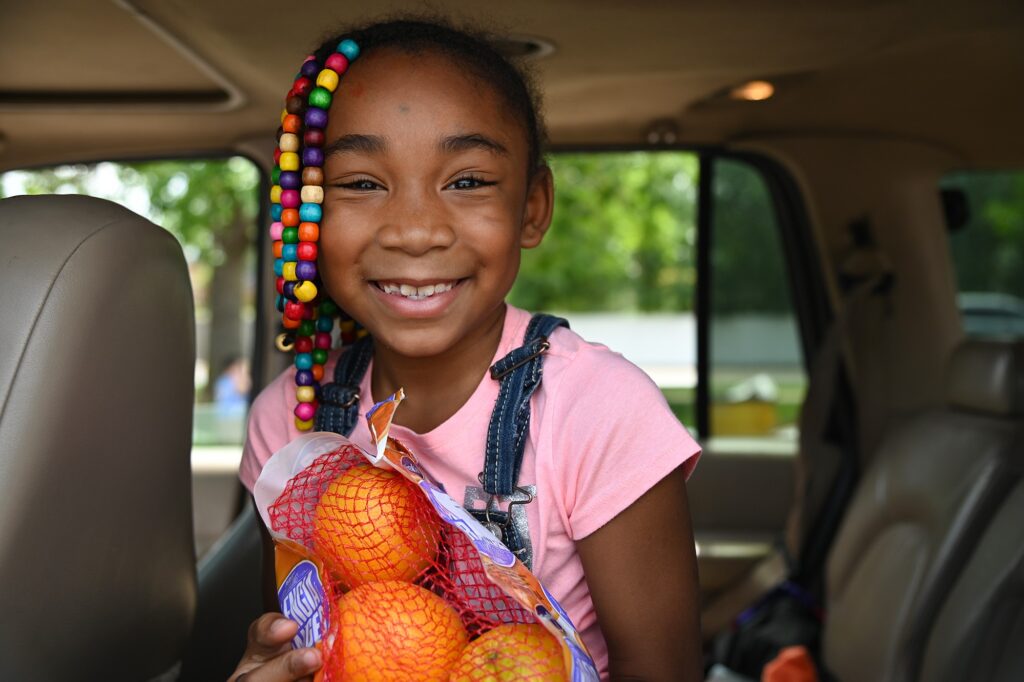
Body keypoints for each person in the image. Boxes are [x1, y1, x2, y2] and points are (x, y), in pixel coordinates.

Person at [231, 17, 702, 682]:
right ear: (305, 213)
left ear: (532, 208)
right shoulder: (290, 421)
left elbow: (664, 671)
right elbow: (303, 641)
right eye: (362, 183)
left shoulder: (597, 410)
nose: (416, 231)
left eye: (467, 181)